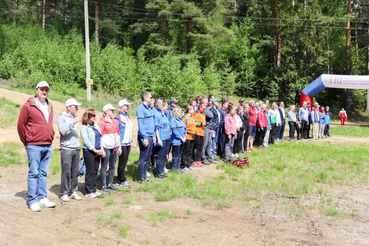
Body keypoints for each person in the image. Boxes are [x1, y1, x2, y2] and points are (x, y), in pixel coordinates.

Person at [17, 81, 56, 212]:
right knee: (34, 173)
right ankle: (33, 200)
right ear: (36, 90)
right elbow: (21, 126)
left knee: (43, 173)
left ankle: (42, 197)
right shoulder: (28, 106)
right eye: (42, 89)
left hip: (47, 144)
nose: (44, 92)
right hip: (33, 145)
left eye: (46, 90)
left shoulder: (49, 105)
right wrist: (27, 141)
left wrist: (51, 135)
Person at [57, 98, 82, 202]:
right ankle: (64, 193)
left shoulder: (75, 117)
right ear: (68, 107)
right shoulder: (62, 117)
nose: (77, 108)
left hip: (76, 148)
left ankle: (74, 192)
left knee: (75, 171)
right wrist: (73, 122)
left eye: (77, 106)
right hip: (66, 148)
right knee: (66, 171)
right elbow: (63, 132)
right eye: (74, 106)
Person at [81, 108, 105, 199]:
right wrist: (94, 149)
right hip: (89, 151)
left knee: (95, 170)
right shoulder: (84, 128)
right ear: (88, 116)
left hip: (98, 150)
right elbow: (86, 140)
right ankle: (88, 190)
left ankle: (94, 189)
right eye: (93, 115)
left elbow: (100, 136)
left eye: (95, 115)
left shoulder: (96, 126)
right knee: (90, 171)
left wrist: (101, 148)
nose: (95, 117)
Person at [98, 104, 121, 193]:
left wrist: (119, 146)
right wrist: (102, 148)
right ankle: (103, 185)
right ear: (106, 111)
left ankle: (110, 183)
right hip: (106, 147)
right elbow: (100, 136)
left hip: (114, 147)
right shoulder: (102, 122)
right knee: (104, 166)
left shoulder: (114, 121)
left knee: (112, 165)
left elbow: (118, 134)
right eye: (111, 110)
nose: (113, 112)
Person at [137, 91, 156, 184]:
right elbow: (141, 125)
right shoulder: (140, 109)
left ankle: (145, 176)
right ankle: (142, 178)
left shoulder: (149, 108)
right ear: (145, 98)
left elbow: (151, 123)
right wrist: (144, 137)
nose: (151, 99)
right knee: (143, 157)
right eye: (150, 97)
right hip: (144, 136)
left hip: (150, 135)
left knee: (148, 157)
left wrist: (153, 136)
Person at [115, 99, 133, 189]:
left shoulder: (127, 116)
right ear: (121, 107)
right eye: (126, 105)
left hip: (128, 142)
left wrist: (131, 141)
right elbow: (117, 131)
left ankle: (119, 179)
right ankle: (122, 180)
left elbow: (129, 130)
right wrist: (118, 145)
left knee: (124, 162)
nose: (128, 107)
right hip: (122, 143)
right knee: (122, 163)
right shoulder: (118, 117)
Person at [154, 101, 171, 180]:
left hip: (167, 137)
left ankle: (162, 171)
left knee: (164, 155)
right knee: (160, 156)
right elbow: (156, 128)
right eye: (166, 106)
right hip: (162, 138)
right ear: (162, 107)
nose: (167, 108)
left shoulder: (165, 115)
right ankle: (158, 173)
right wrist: (159, 139)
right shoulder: (158, 116)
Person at [171, 107, 186, 172]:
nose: (181, 113)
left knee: (179, 154)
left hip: (182, 140)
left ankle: (178, 167)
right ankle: (175, 168)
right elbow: (174, 131)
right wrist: (181, 137)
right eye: (180, 112)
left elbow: (184, 128)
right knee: (175, 155)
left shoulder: (180, 120)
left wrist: (185, 136)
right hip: (176, 141)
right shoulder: (173, 120)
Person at [182, 105, 197, 170]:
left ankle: (188, 164)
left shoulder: (192, 117)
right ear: (189, 110)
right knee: (185, 151)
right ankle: (184, 165)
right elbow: (183, 127)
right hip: (187, 136)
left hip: (193, 137)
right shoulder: (185, 118)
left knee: (190, 151)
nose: (193, 111)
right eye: (192, 109)